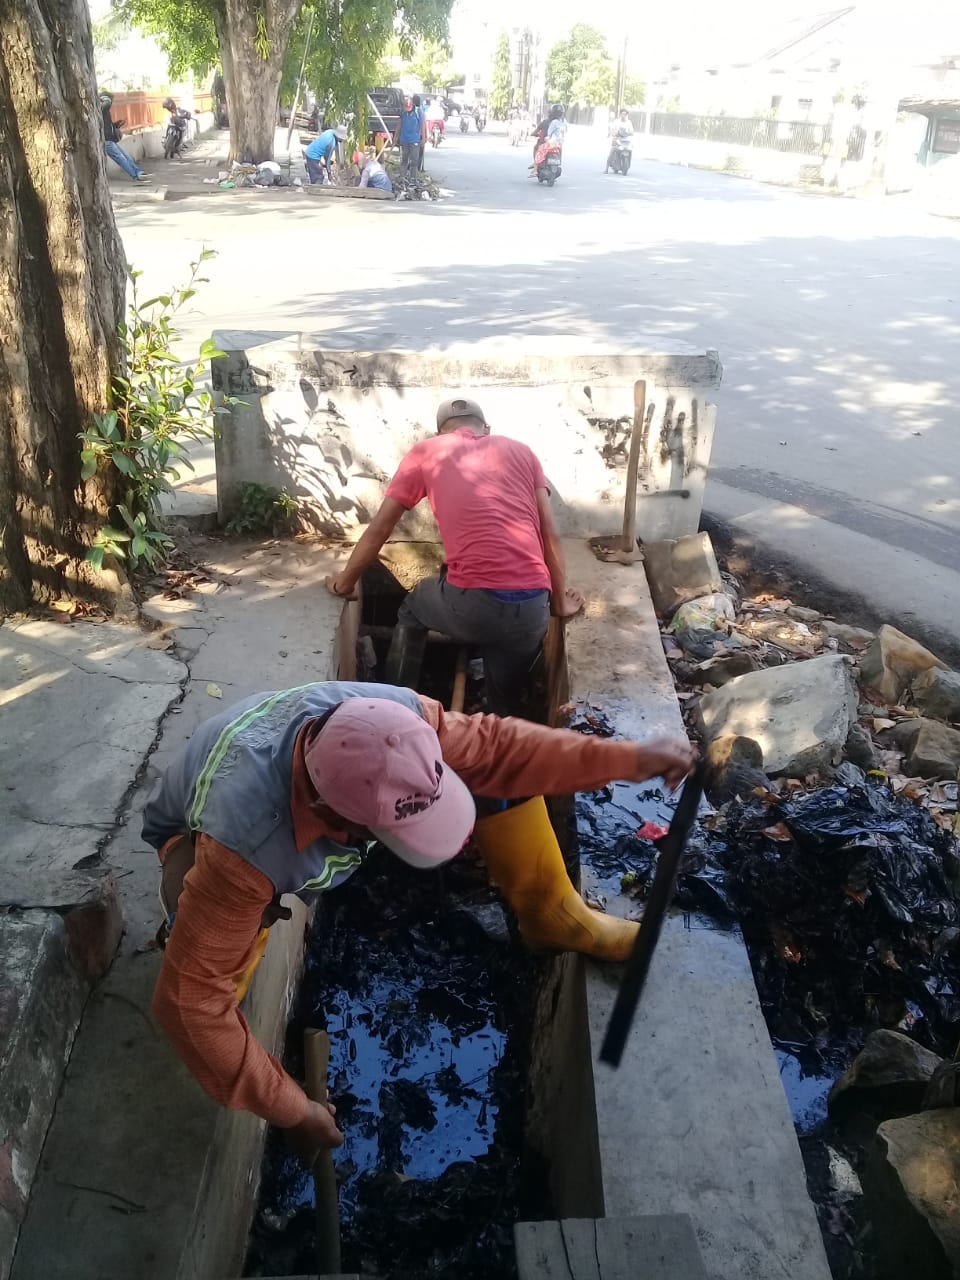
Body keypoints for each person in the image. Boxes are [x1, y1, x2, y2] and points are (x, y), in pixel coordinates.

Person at [144, 681, 696, 1156]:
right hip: (196, 840)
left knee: (494, 774)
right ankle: (211, 942)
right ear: (333, 817)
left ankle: (554, 917)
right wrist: (296, 1109)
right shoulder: (246, 854)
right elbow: (190, 1005)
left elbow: (503, 748)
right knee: (218, 971)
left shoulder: (391, 722)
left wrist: (629, 759)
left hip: (288, 798)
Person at [326, 396, 583, 716]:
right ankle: (504, 736)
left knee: (414, 606)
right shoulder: (524, 452)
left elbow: (380, 529)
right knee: (506, 703)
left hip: (471, 606)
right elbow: (550, 535)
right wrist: (558, 602)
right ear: (485, 429)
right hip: (531, 609)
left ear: (440, 434)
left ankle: (396, 707)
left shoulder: (426, 452)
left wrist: (346, 582)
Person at [99, 91, 149, 183]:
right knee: (121, 158)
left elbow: (108, 126)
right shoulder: (101, 109)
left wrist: (117, 124)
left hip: (109, 139)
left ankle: (138, 172)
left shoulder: (105, 112)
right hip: (106, 140)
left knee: (125, 156)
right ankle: (135, 175)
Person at [396, 95, 424, 189]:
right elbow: (399, 125)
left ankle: (413, 179)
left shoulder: (418, 111)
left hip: (415, 140)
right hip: (404, 140)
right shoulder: (403, 113)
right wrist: (396, 137)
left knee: (414, 160)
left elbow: (422, 125)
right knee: (404, 159)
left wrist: (424, 138)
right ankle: (402, 178)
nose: (407, 109)